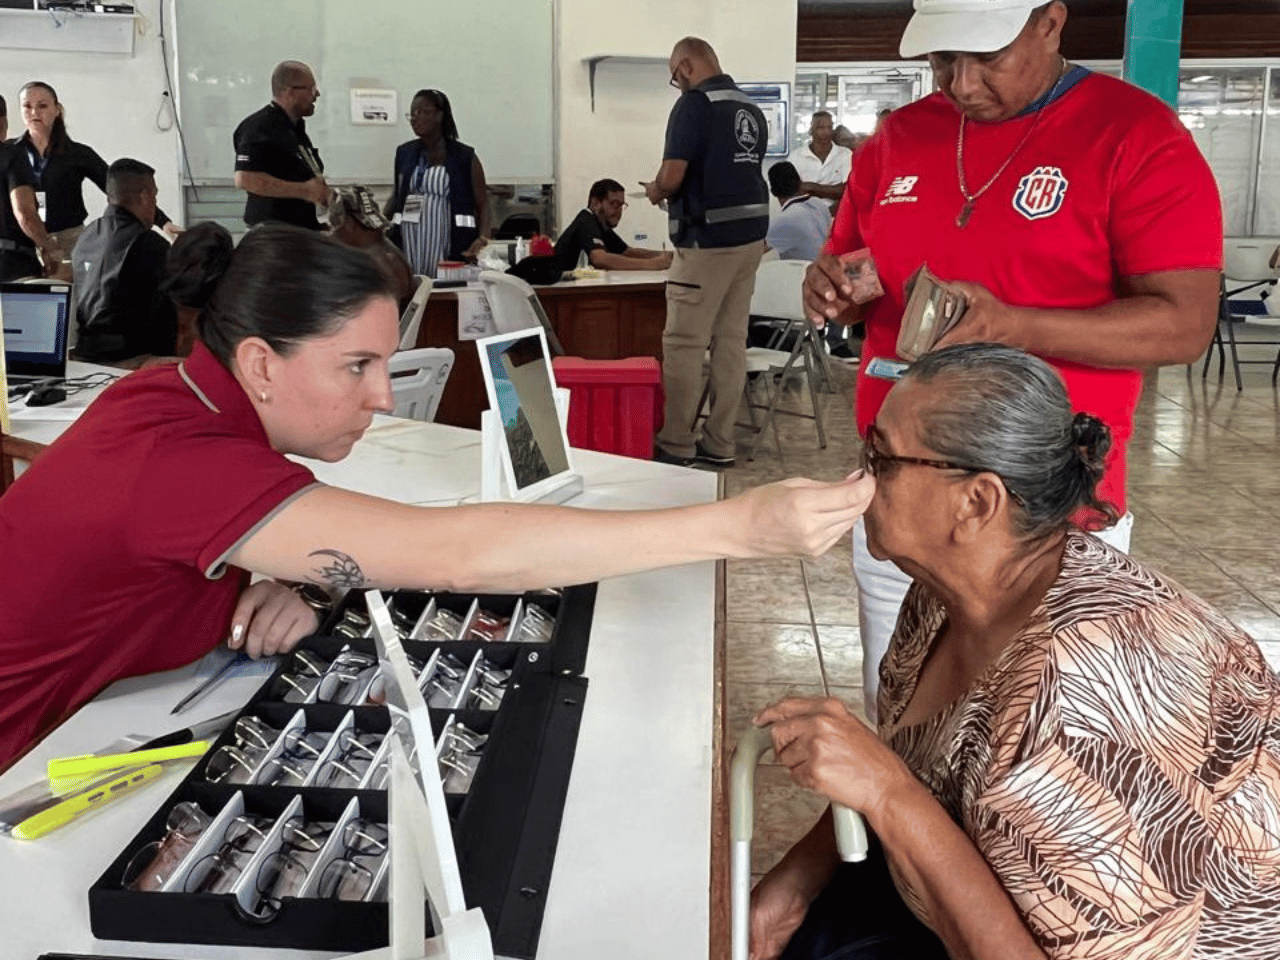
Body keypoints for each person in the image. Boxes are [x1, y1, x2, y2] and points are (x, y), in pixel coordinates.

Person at [0, 223, 875, 772]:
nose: (384, 396)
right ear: (262, 362)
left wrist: (263, 576)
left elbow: (161, 547)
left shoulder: (172, 398)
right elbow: (458, 555)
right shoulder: (181, 458)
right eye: (357, 367)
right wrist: (741, 523)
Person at [750, 343, 1280, 960]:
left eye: (881, 459)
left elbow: (896, 784)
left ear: (976, 502)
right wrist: (791, 889)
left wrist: (889, 792)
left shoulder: (1081, 709)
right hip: (964, 896)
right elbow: (913, 763)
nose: (858, 479)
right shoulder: (950, 591)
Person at [802, 0, 1222, 716]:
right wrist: (839, 286)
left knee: (1039, 738)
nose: (960, 84)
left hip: (1044, 514)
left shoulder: (1135, 135)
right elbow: (864, 263)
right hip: (905, 494)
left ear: (1049, 23)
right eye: (941, 60)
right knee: (899, 716)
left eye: (984, 57)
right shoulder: (898, 140)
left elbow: (1183, 325)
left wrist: (1012, 325)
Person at [644, 37, 769, 470]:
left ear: (685, 65)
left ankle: (677, 441)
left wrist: (656, 191)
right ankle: (720, 442)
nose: (676, 83)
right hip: (750, 241)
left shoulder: (694, 105)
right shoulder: (749, 107)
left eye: (675, 75)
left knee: (684, 344)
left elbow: (673, 175)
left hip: (705, 243)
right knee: (731, 343)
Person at [15, 81, 180, 275]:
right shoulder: (11, 153)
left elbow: (117, 188)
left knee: (69, 299)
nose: (34, 112)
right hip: (23, 240)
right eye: (27, 106)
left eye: (42, 106)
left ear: (57, 109)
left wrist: (164, 223)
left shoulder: (77, 153)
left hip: (67, 239)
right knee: (27, 300)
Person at [70, 158, 177, 364]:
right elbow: (168, 313)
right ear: (145, 197)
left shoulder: (86, 235)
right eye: (154, 195)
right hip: (129, 358)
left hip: (84, 354)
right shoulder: (148, 243)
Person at [385, 89, 491, 278]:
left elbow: (483, 205)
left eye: (422, 112)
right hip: (409, 240)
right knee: (414, 288)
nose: (415, 118)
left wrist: (482, 239)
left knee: (442, 290)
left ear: (440, 115)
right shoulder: (405, 153)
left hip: (448, 240)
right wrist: (379, 228)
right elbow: (397, 196)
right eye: (412, 113)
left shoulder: (464, 156)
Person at [232, 61, 330, 230]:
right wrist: (305, 191)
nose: (317, 94)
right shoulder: (259, 127)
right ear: (290, 91)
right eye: (312, 89)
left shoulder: (295, 128)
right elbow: (245, 179)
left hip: (300, 231)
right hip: (273, 237)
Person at [554, 178, 672, 273]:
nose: (618, 211)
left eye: (621, 205)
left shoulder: (602, 226)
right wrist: (654, 264)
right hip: (560, 291)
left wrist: (667, 256)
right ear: (595, 204)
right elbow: (600, 259)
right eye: (614, 204)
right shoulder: (586, 220)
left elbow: (627, 251)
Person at [0, 93, 59, 280]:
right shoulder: (11, 156)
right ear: (3, 122)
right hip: (11, 265)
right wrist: (49, 249)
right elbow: (25, 214)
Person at [329, 184, 415, 311]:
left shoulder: (375, 263)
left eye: (336, 226)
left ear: (351, 224)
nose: (333, 233)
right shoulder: (384, 252)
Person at [766, 163, 832, 262]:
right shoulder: (819, 203)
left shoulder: (784, 219)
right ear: (800, 183)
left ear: (773, 191)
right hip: (826, 268)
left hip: (803, 273)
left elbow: (754, 249)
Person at [788, 111, 852, 207]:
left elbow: (846, 190)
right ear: (811, 130)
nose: (826, 132)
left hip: (836, 215)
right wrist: (831, 191)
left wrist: (811, 188)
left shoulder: (846, 154)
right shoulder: (795, 157)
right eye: (820, 127)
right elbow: (791, 191)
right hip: (804, 215)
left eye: (829, 127)